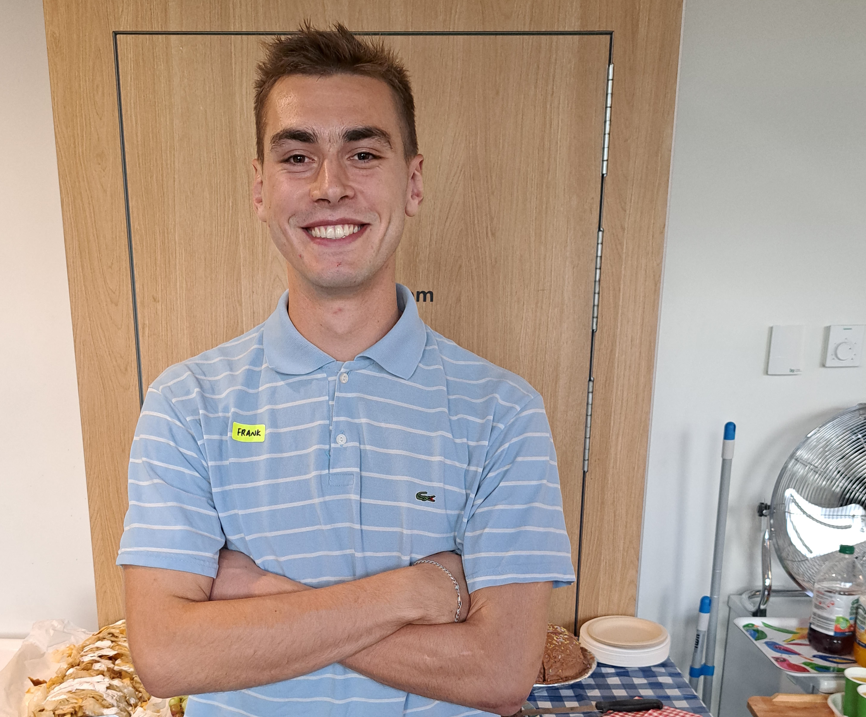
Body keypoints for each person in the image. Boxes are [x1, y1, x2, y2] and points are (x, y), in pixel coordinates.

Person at [117, 23, 575, 717]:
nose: (330, 187)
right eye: (297, 157)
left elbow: (501, 670)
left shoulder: (503, 411)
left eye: (363, 153)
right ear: (261, 189)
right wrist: (412, 593)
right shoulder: (185, 404)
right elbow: (168, 656)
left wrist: (264, 598)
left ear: (412, 181)